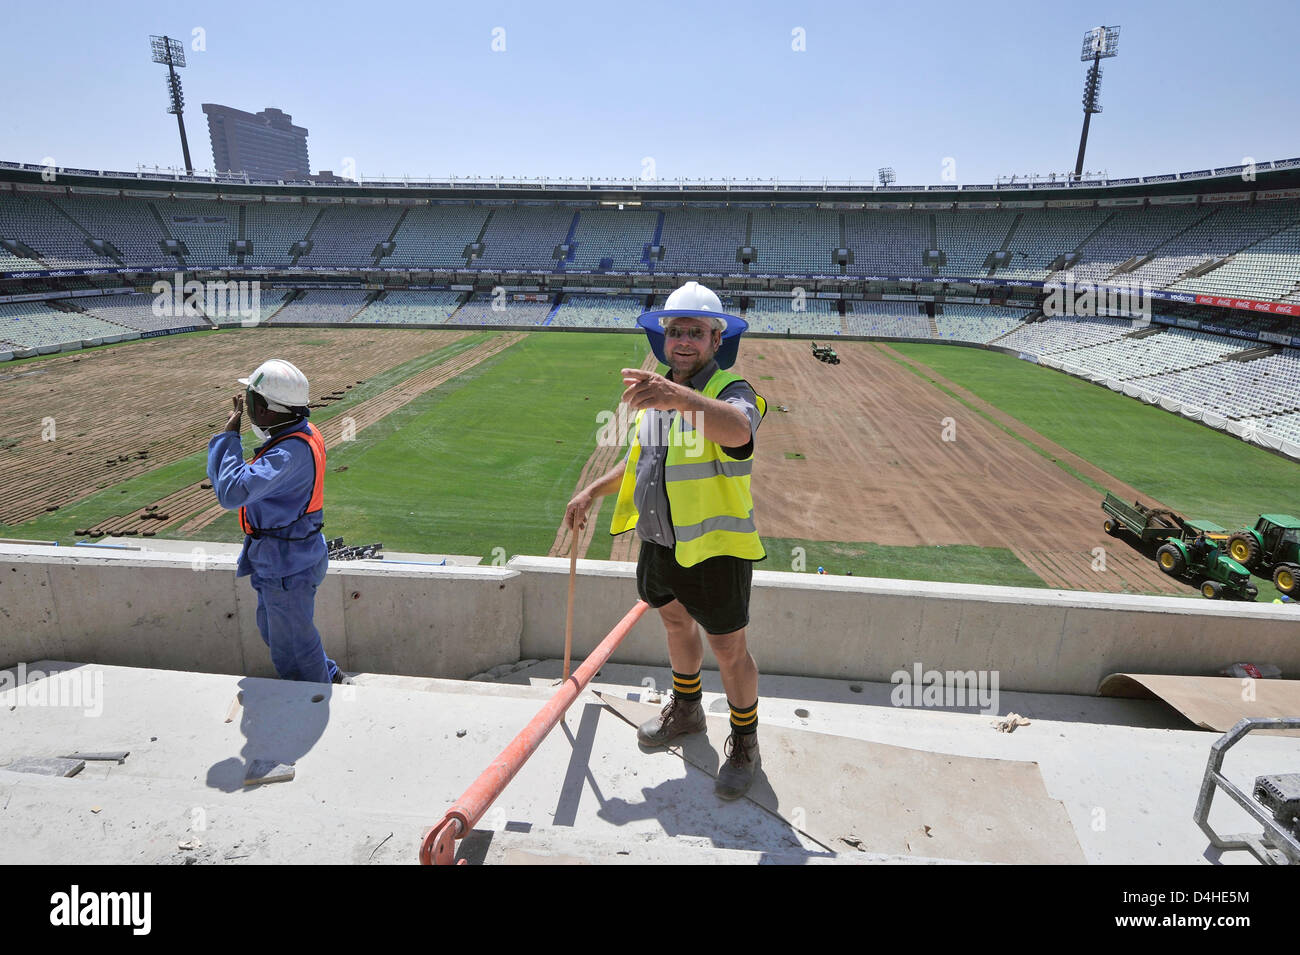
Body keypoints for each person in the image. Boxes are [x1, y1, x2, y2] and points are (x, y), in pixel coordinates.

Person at [565, 281, 766, 799]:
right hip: (661, 543)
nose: (682, 340)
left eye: (695, 332)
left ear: (716, 339)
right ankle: (688, 712)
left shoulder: (732, 391)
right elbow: (639, 464)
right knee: (675, 623)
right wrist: (591, 490)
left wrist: (675, 395)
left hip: (716, 550)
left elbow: (739, 432)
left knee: (729, 648)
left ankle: (745, 742)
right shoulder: (657, 400)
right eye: (674, 330)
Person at [207, 358, 346, 685]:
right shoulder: (303, 432)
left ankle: (314, 695)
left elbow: (231, 492)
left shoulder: (288, 454)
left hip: (288, 565)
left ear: (268, 410)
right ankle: (331, 676)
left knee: (294, 650)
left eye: (252, 401)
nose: (247, 407)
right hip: (284, 559)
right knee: (281, 633)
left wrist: (229, 437)